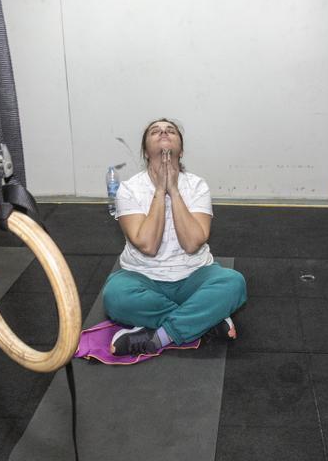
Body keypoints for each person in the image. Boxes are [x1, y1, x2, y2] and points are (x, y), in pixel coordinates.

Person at [103, 118, 247, 355]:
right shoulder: (129, 189)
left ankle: (160, 336)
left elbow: (192, 243)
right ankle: (205, 319)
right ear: (145, 152)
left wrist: (174, 190)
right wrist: (160, 190)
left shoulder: (197, 185)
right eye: (155, 131)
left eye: (170, 130)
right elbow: (148, 245)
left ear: (181, 151)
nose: (163, 133)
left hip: (194, 274)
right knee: (115, 297)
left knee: (233, 283)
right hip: (142, 277)